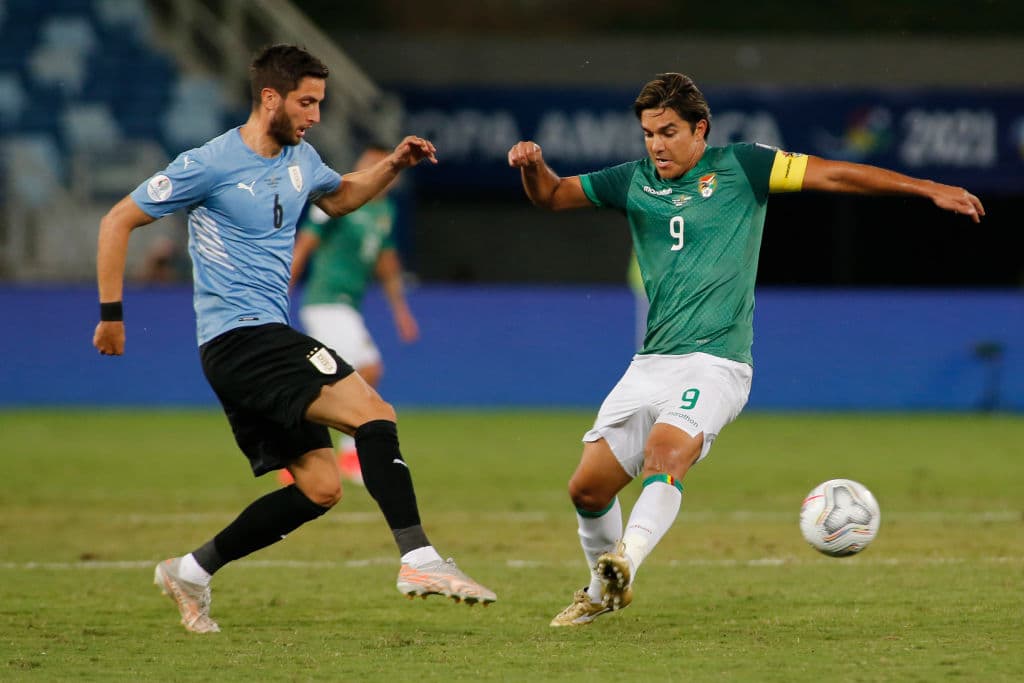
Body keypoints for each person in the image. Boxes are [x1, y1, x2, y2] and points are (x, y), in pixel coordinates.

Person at [507, 72, 984, 627]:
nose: (656, 145)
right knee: (587, 489)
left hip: (717, 363)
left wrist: (927, 188)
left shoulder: (743, 166)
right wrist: (532, 167)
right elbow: (552, 195)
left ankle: (625, 562)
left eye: (668, 132)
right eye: (648, 134)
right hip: (652, 362)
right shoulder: (631, 180)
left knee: (667, 455)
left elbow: (834, 174)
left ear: (700, 130)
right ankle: (603, 592)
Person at [93, 44, 496, 634]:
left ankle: (190, 571)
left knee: (320, 487)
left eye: (319, 103)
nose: (315, 115)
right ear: (270, 98)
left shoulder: (302, 158)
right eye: (306, 102)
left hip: (262, 338)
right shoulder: (208, 163)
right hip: (241, 340)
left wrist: (394, 165)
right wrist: (111, 315)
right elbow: (117, 220)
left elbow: (342, 197)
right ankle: (419, 558)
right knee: (374, 413)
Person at [282, 144, 419, 487]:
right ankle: (344, 452)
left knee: (323, 382)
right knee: (367, 368)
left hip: (347, 306)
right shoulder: (338, 201)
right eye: (369, 165)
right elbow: (305, 245)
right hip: (325, 301)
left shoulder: (385, 211)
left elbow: (387, 264)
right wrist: (282, 292)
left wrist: (401, 312)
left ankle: (297, 452)